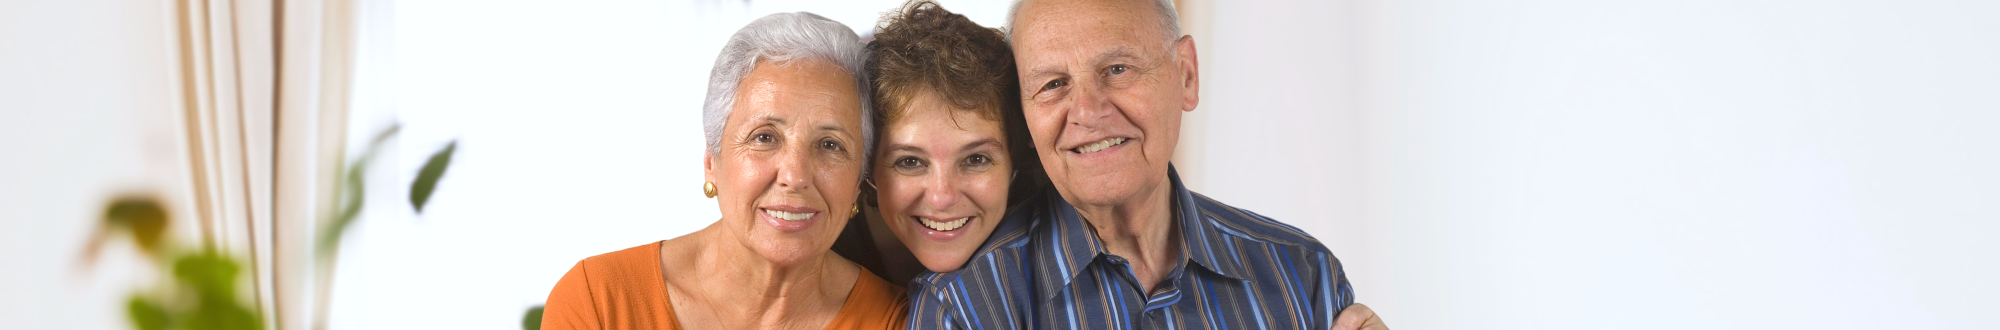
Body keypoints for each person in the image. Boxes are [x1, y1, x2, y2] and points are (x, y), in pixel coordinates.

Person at [905, 0, 1391, 329]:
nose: (1088, 111)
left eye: (1117, 70)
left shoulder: (1302, 273)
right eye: (1052, 84)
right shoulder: (966, 307)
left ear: (1186, 76)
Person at [539, 12, 906, 329]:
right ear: (711, 161)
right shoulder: (599, 302)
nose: (795, 176)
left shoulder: (898, 320)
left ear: (860, 179)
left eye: (830, 145)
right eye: (764, 137)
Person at [855, 0, 1046, 280]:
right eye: (910, 162)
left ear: (1014, 157)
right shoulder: (823, 240)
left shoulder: (1052, 223)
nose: (942, 198)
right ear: (869, 164)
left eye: (975, 159)